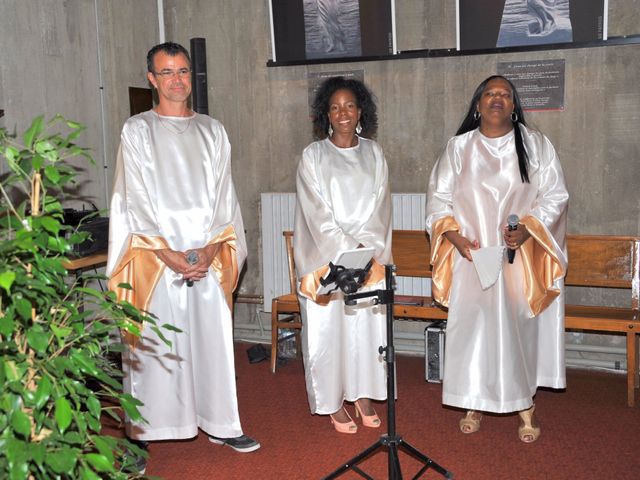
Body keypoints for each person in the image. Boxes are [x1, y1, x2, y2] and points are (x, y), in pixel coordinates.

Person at [106, 42, 260, 472]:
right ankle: (141, 435)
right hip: (156, 258)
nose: (177, 80)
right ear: (152, 79)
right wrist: (168, 253)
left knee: (211, 342)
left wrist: (211, 248)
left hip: (205, 255)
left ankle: (221, 423)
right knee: (154, 346)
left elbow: (223, 197)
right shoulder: (137, 130)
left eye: (184, 71)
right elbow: (131, 197)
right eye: (167, 72)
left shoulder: (214, 130)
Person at [425, 75, 569, 443]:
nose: (497, 99)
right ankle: (474, 399)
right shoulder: (458, 148)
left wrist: (528, 231)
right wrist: (455, 238)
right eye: (490, 93)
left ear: (515, 105)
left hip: (517, 259)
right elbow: (438, 199)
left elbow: (555, 195)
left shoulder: (535, 145)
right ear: (477, 104)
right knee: (475, 329)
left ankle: (525, 405)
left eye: (505, 94)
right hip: (471, 257)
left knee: (516, 330)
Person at [294, 76, 392, 434]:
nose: (343, 113)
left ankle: (362, 395)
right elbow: (315, 211)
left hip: (367, 258)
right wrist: (345, 250)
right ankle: (333, 402)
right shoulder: (313, 156)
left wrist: (365, 252)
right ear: (326, 114)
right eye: (335, 107)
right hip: (325, 257)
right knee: (329, 331)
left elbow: (380, 207)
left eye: (349, 105)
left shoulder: (374, 153)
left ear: (360, 109)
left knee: (364, 330)